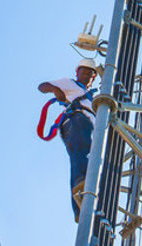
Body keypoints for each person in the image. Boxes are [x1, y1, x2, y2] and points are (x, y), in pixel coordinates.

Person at [38, 58, 99, 222]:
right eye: (84, 72)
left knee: (88, 158)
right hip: (76, 120)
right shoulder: (69, 83)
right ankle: (81, 183)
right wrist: (56, 89)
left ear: (93, 78)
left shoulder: (93, 99)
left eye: (90, 73)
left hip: (90, 127)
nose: (86, 75)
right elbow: (42, 86)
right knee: (80, 151)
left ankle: (79, 207)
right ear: (77, 73)